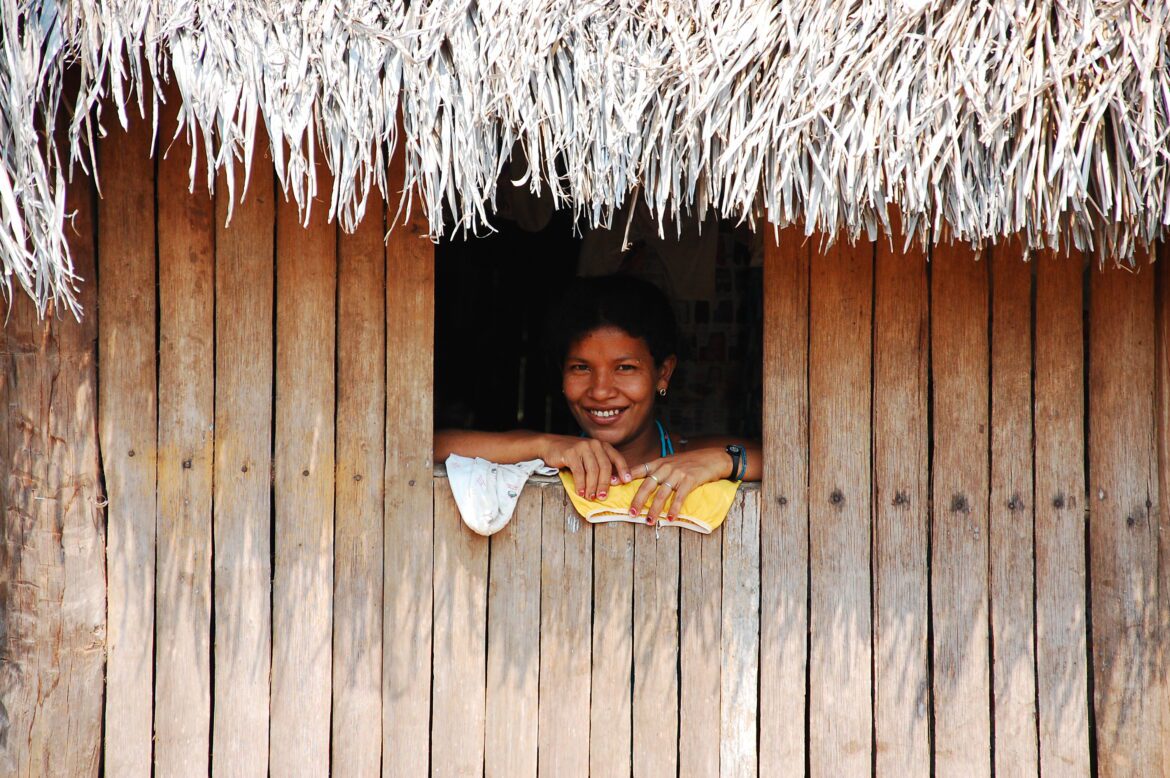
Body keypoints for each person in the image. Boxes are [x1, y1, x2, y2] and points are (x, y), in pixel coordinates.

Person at [434, 275, 761, 525]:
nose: (601, 391)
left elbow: (784, 462)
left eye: (625, 368)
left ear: (663, 373)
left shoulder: (692, 455)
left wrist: (724, 461)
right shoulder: (545, 452)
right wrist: (545, 445)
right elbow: (432, 445)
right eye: (581, 367)